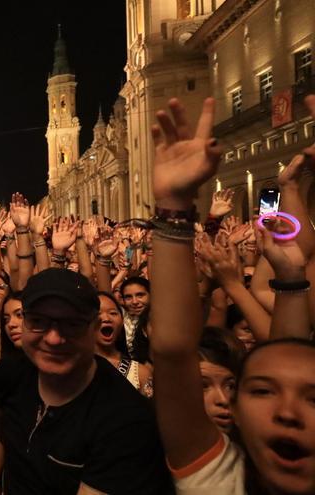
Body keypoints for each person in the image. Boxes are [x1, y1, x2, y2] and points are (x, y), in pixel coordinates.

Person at [149, 95, 315, 494]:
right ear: (237, 410)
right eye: (262, 391)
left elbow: (284, 349)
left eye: (313, 397)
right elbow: (173, 350)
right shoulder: (220, 479)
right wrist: (173, 206)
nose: (287, 412)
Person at [0, 268, 172, 494]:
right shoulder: (11, 373)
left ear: (94, 327)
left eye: (71, 324)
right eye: (39, 321)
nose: (54, 338)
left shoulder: (125, 417)